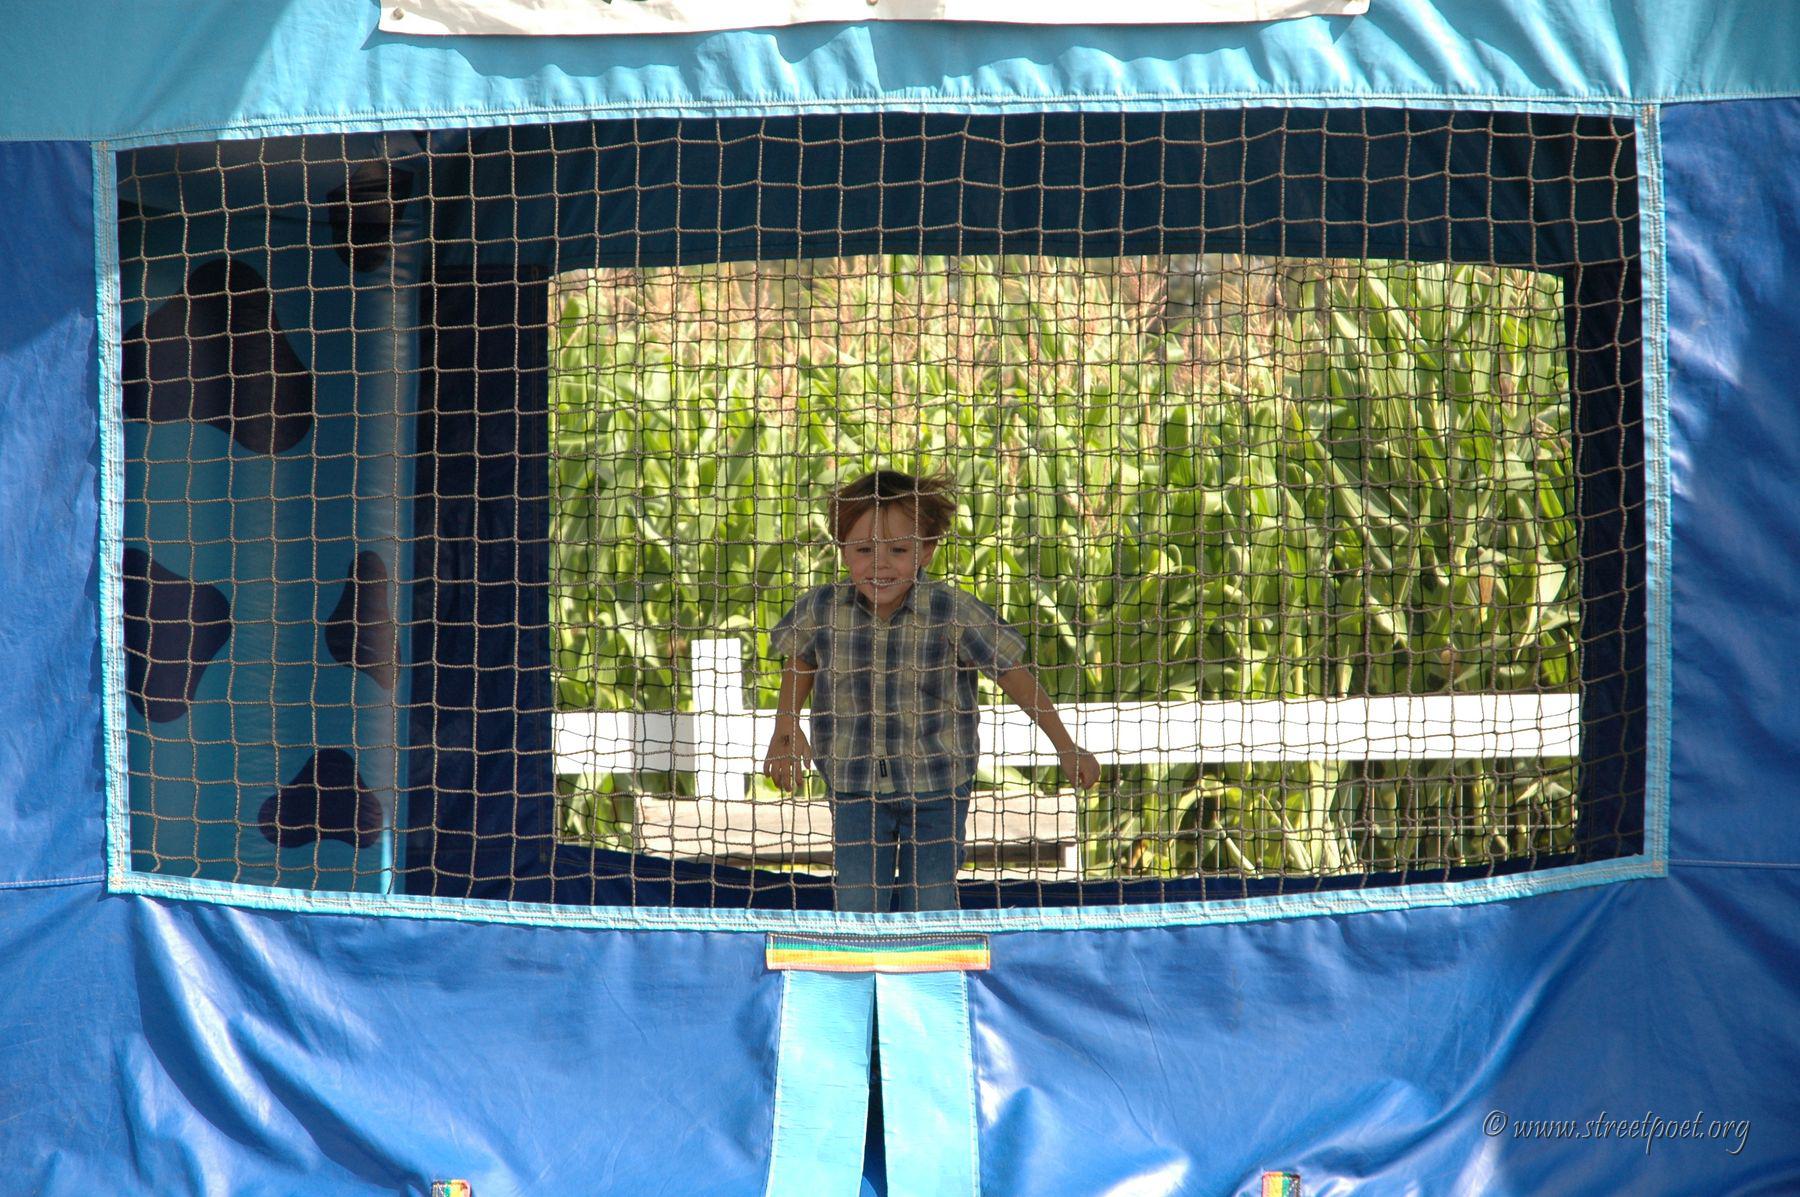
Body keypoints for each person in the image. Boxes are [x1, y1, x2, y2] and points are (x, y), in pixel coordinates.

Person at [763, 468, 1101, 912]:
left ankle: (931, 956)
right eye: (863, 550)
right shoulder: (823, 609)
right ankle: (862, 956)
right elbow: (800, 660)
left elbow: (1012, 673)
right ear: (842, 550)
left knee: (932, 899)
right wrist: (785, 728)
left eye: (899, 550)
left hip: (938, 787)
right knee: (858, 900)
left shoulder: (951, 612)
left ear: (926, 550)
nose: (880, 565)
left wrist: (1066, 746)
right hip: (853, 786)